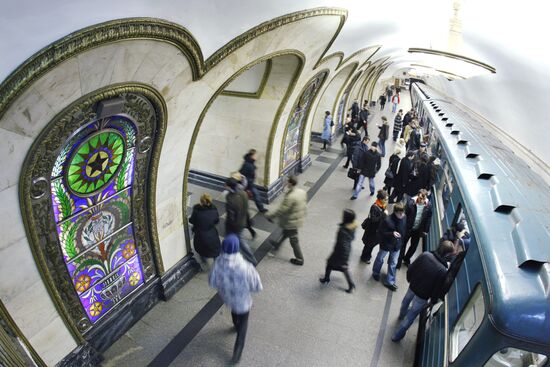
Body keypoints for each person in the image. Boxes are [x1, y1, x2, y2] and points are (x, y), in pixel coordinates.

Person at [209, 234, 263, 363]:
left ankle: (235, 325)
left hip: (228, 298)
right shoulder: (246, 266)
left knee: (234, 312)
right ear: (237, 249)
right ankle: (237, 354)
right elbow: (257, 286)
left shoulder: (217, 264)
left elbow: (212, 282)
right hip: (243, 302)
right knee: (243, 326)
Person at [391, 240, 454, 342]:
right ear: (447, 254)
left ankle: (401, 314)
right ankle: (397, 336)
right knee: (411, 316)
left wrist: (409, 279)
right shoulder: (442, 270)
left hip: (413, 286)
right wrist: (432, 301)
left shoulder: (425, 255)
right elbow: (436, 289)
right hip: (423, 296)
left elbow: (412, 267)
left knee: (406, 301)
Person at [266, 175, 307, 265]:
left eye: (287, 181)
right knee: (285, 233)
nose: (285, 182)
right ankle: (277, 245)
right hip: (296, 219)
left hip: (291, 222)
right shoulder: (301, 192)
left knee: (293, 240)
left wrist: (270, 215)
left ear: (290, 183)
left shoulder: (291, 197)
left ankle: (300, 259)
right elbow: (304, 206)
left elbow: (281, 210)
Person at [319, 209, 357, 293]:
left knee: (335, 264)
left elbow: (342, 244)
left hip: (340, 252)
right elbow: (352, 238)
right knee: (341, 266)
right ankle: (350, 284)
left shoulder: (343, 230)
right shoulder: (353, 227)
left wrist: (342, 257)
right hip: (346, 250)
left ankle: (327, 278)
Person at [372, 202, 407, 291]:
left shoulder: (404, 217)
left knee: (393, 263)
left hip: (397, 245)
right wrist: (392, 233)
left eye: (403, 213)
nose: (402, 215)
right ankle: (375, 273)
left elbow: (404, 230)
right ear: (395, 212)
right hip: (387, 244)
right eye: (400, 213)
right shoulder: (387, 220)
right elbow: (381, 232)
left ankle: (390, 281)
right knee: (380, 258)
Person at [225, 177, 257, 265]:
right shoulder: (243, 193)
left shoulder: (230, 198)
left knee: (239, 242)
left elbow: (231, 216)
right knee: (240, 241)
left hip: (234, 225)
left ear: (229, 187)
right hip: (243, 221)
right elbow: (246, 208)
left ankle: (249, 259)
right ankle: (249, 258)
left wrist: (230, 226)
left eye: (226, 185)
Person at [398, 189, 432, 268]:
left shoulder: (428, 206)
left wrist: (426, 230)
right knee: (403, 244)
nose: (421, 200)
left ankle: (406, 259)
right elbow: (404, 214)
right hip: (408, 228)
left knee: (413, 247)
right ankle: (399, 261)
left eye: (423, 199)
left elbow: (429, 218)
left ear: (426, 198)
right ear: (418, 196)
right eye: (420, 198)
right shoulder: (411, 202)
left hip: (418, 230)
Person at [189, 193, 221, 268]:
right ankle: (217, 265)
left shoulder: (197, 209)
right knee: (215, 250)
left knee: (201, 250)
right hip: (212, 234)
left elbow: (192, 220)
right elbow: (216, 221)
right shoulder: (214, 208)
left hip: (201, 235)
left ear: (201, 201)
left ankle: (204, 264)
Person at [360, 190, 388, 263]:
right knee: (368, 245)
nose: (386, 201)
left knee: (371, 245)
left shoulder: (382, 205)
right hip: (371, 231)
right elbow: (373, 219)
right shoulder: (374, 207)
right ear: (380, 199)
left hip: (376, 231)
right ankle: (365, 257)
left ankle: (367, 255)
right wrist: (383, 215)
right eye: (385, 199)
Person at [239, 149, 267, 214]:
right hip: (248, 183)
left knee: (252, 195)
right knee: (256, 195)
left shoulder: (249, 162)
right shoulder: (248, 164)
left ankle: (261, 208)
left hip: (248, 183)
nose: (256, 157)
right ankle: (261, 209)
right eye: (255, 155)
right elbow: (242, 173)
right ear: (252, 156)